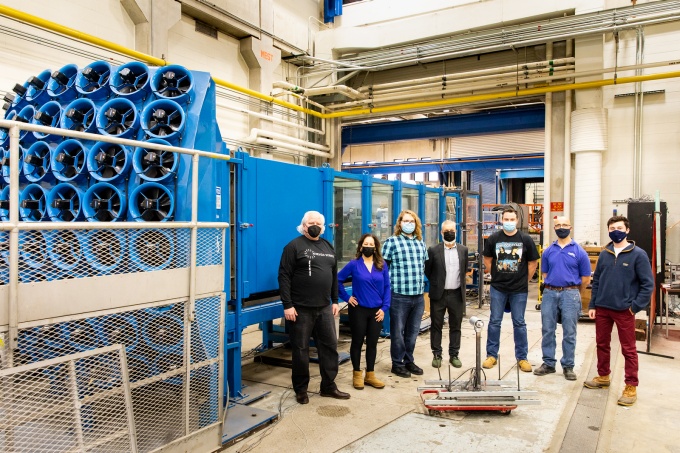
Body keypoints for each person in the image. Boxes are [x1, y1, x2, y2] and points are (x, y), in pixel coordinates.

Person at [278, 211, 350, 404]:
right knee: (300, 350)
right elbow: (284, 276)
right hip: (300, 309)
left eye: (318, 223)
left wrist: (335, 301)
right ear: (303, 225)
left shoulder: (327, 246)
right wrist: (288, 305)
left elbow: (334, 276)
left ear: (323, 226)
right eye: (311, 222)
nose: (315, 225)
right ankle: (301, 390)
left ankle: (328, 387)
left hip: (325, 308)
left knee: (329, 348)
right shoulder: (293, 246)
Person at [584, 215, 654, 406]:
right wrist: (593, 305)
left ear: (627, 230)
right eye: (613, 228)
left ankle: (631, 386)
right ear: (608, 230)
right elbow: (596, 281)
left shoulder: (638, 254)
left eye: (620, 228)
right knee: (602, 344)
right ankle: (603, 375)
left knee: (629, 349)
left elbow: (648, 285)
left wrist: (634, 307)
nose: (616, 231)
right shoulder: (605, 253)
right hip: (603, 309)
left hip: (625, 310)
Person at [482, 207, 540, 372]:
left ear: (517, 221)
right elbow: (487, 259)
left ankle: (522, 358)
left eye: (511, 219)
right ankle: (491, 355)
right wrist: (495, 275)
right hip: (498, 288)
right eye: (506, 219)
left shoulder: (525, 239)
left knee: (519, 323)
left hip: (519, 290)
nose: (508, 222)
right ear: (502, 220)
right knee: (494, 321)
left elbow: (532, 263)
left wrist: (523, 281)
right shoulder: (493, 239)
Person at [534, 216, 591, 381]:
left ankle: (568, 366)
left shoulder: (579, 251)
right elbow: (545, 274)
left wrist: (572, 291)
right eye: (558, 225)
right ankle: (549, 363)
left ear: (571, 227)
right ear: (554, 228)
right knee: (547, 329)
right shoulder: (548, 251)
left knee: (569, 331)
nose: (561, 227)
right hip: (550, 293)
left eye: (564, 225)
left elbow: (586, 278)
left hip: (570, 294)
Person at [338, 233, 390, 390]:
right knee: (357, 342)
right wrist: (347, 298)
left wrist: (384, 308)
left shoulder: (382, 264)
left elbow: (387, 287)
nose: (368, 247)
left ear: (375, 247)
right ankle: (357, 374)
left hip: (376, 311)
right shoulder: (354, 264)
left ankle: (370, 375)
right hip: (358, 310)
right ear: (361, 247)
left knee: (372, 343)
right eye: (365, 244)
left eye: (371, 244)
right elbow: (337, 280)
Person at [381, 209, 428, 378]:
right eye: (405, 221)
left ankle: (409, 360)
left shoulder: (421, 243)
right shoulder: (391, 242)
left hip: (418, 295)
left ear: (416, 224)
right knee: (398, 332)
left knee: (412, 332)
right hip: (399, 295)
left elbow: (424, 266)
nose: (409, 224)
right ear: (399, 224)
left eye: (412, 221)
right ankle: (397, 363)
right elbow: (383, 269)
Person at [424, 220, 469, 369]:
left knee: (456, 326)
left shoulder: (463, 250)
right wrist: (437, 283)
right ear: (442, 233)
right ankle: (437, 354)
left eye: (452, 230)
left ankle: (454, 354)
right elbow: (428, 271)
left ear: (456, 232)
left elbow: (464, 270)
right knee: (436, 325)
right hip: (439, 294)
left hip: (456, 294)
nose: (450, 233)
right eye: (447, 231)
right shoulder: (433, 250)